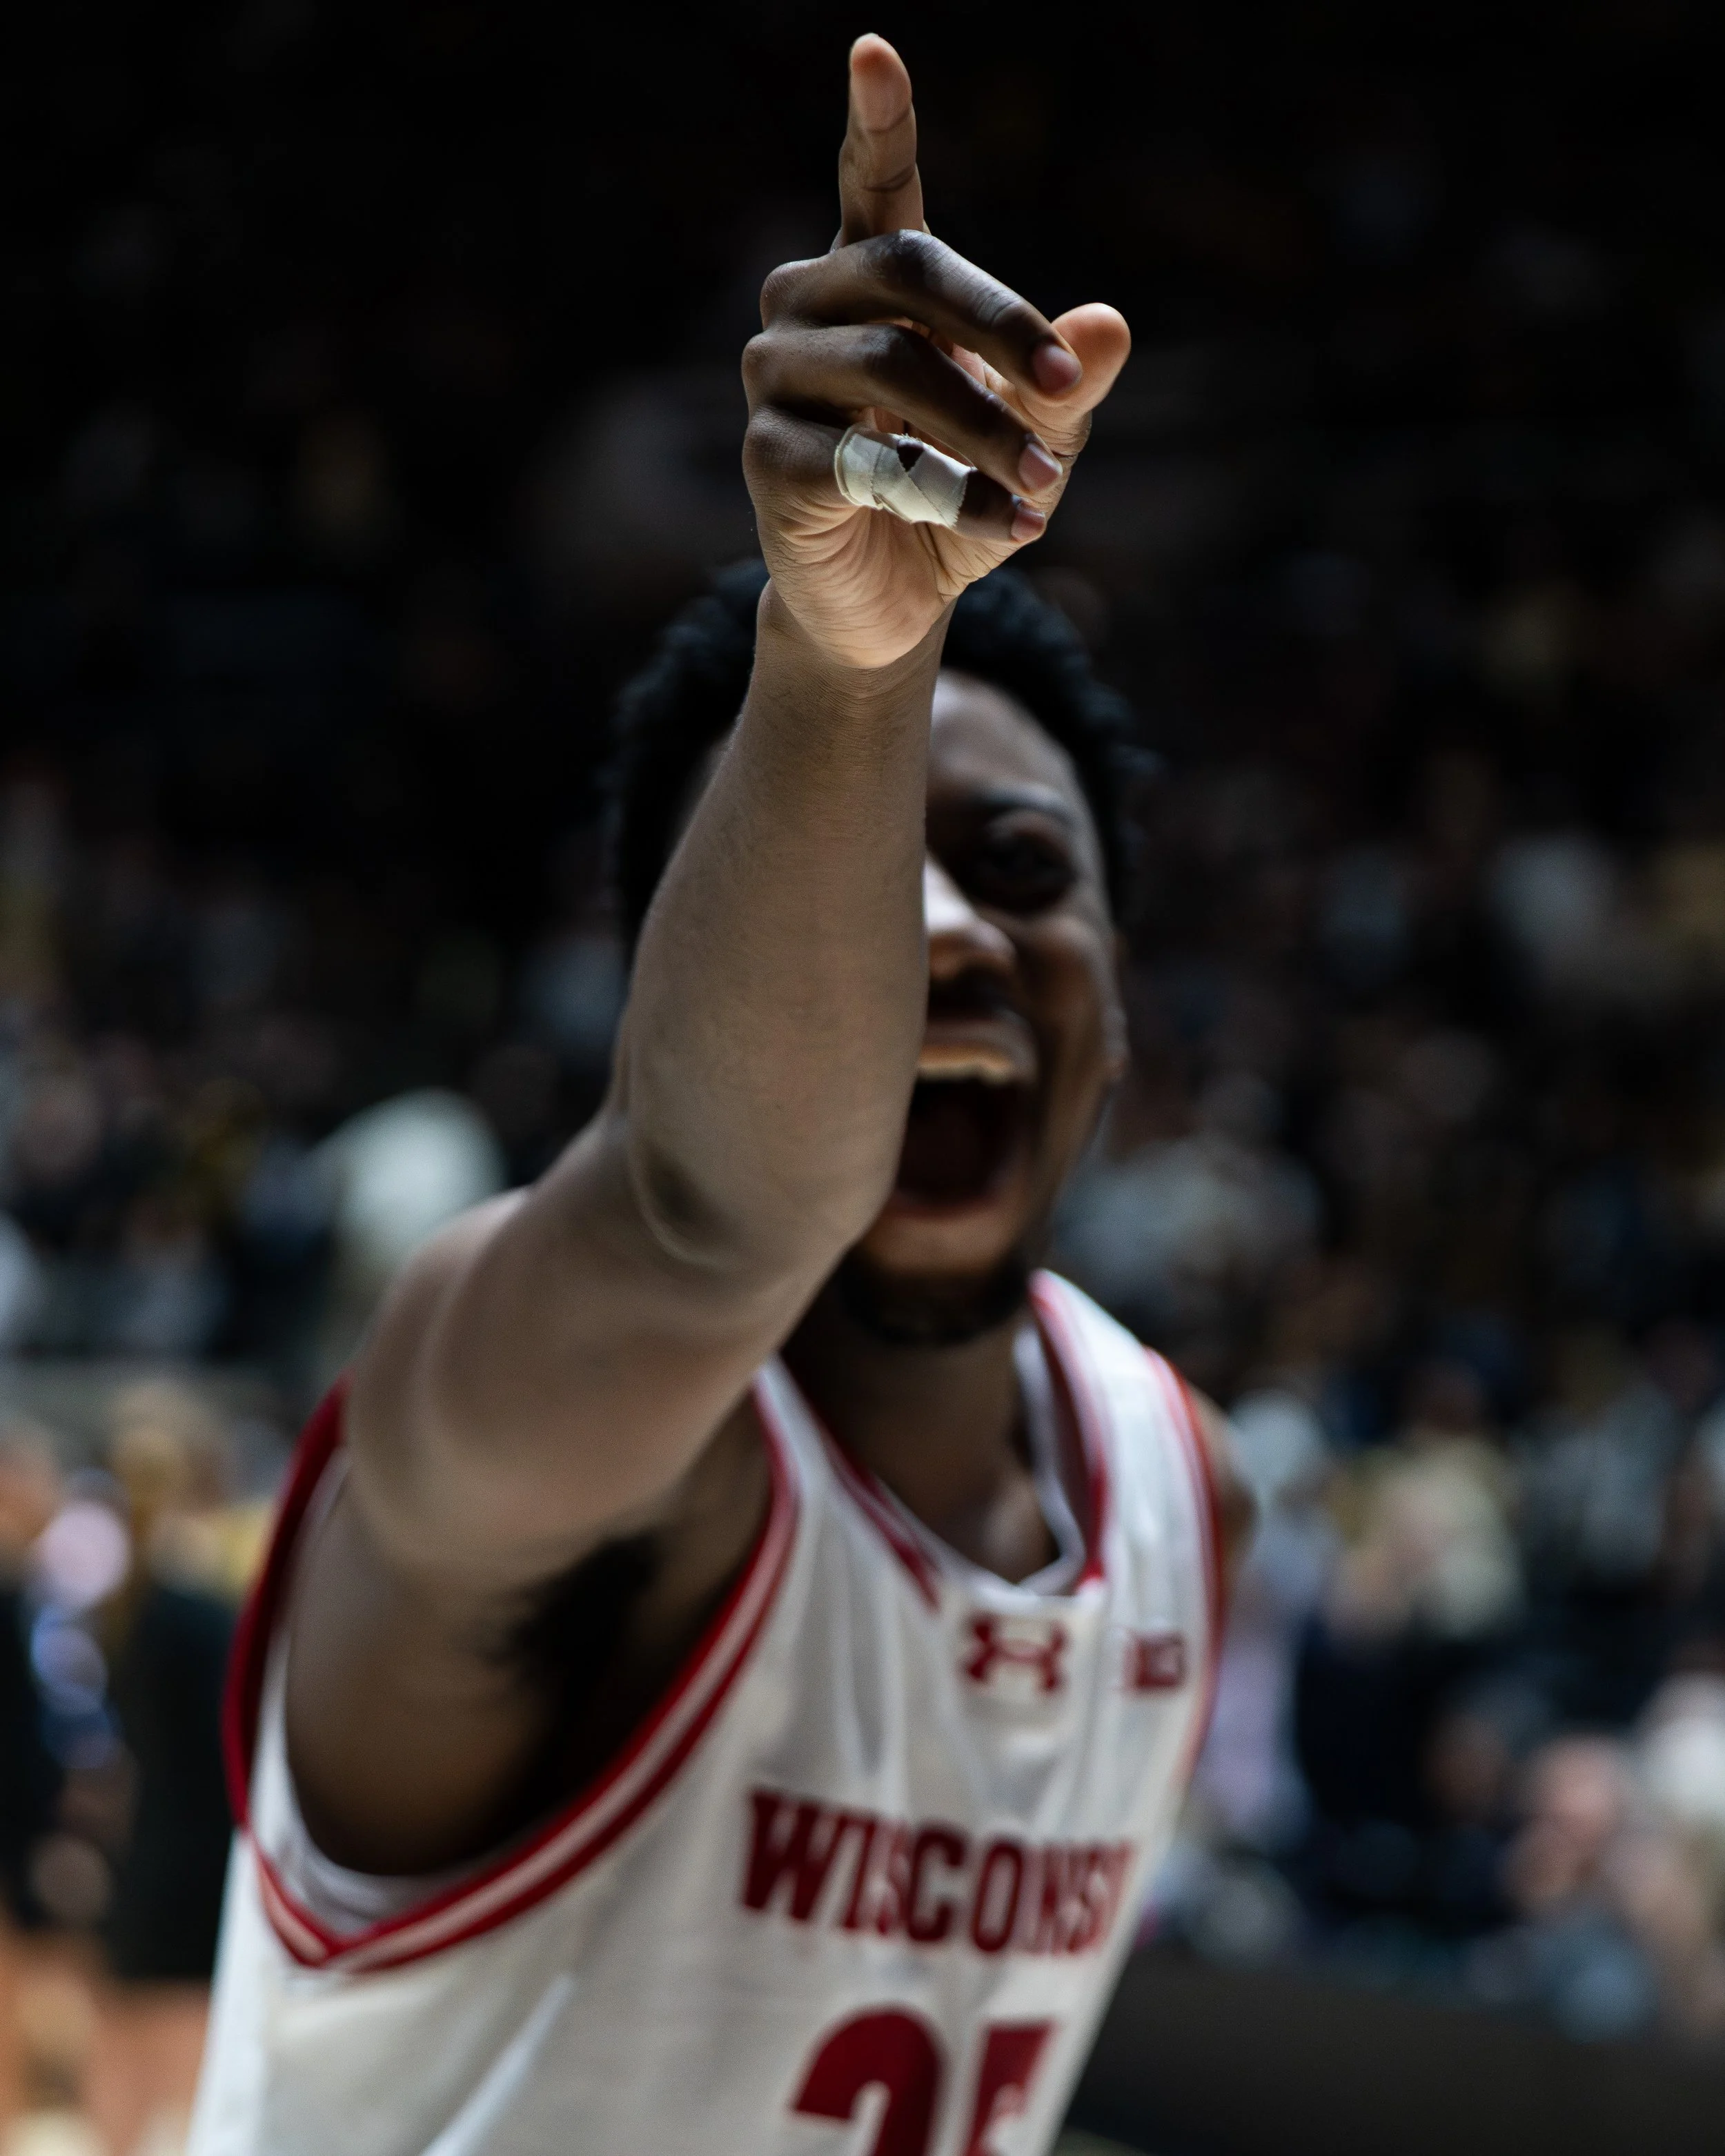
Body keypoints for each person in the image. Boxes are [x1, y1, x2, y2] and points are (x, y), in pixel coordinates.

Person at [189, 35, 1252, 2156]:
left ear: (1122, 1008)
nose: (944, 929)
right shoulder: (525, 1410)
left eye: (1026, 872)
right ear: (678, 977)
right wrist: (842, 666)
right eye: (878, 871)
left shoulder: (1175, 1490)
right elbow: (713, 1215)